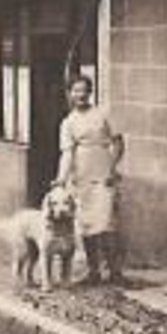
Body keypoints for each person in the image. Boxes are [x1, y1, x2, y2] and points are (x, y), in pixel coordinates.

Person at [55, 74, 125, 286]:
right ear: (70, 94)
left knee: (107, 224)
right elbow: (67, 153)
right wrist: (60, 179)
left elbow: (118, 143)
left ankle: (115, 272)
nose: (80, 95)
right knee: (86, 225)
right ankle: (93, 271)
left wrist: (112, 168)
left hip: (103, 172)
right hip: (81, 175)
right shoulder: (68, 122)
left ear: (90, 91)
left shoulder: (104, 114)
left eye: (84, 90)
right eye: (76, 91)